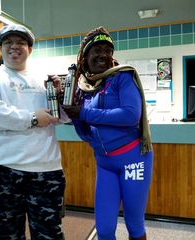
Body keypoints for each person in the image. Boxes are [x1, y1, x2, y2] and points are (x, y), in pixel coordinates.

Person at [0, 24, 66, 240]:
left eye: (21, 42)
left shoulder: (46, 81)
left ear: (30, 49)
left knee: (49, 233)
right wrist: (32, 118)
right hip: (1, 169)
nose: (15, 47)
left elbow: (63, 117)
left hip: (45, 169)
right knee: (6, 234)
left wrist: (61, 95)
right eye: (8, 42)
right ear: (0, 48)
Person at [61, 26, 153, 240]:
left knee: (134, 225)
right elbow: (87, 133)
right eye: (97, 50)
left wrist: (83, 112)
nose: (103, 55)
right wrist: (74, 114)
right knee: (103, 229)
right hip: (105, 163)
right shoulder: (83, 87)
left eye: (108, 50)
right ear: (85, 57)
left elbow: (131, 115)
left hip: (133, 160)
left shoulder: (123, 76)